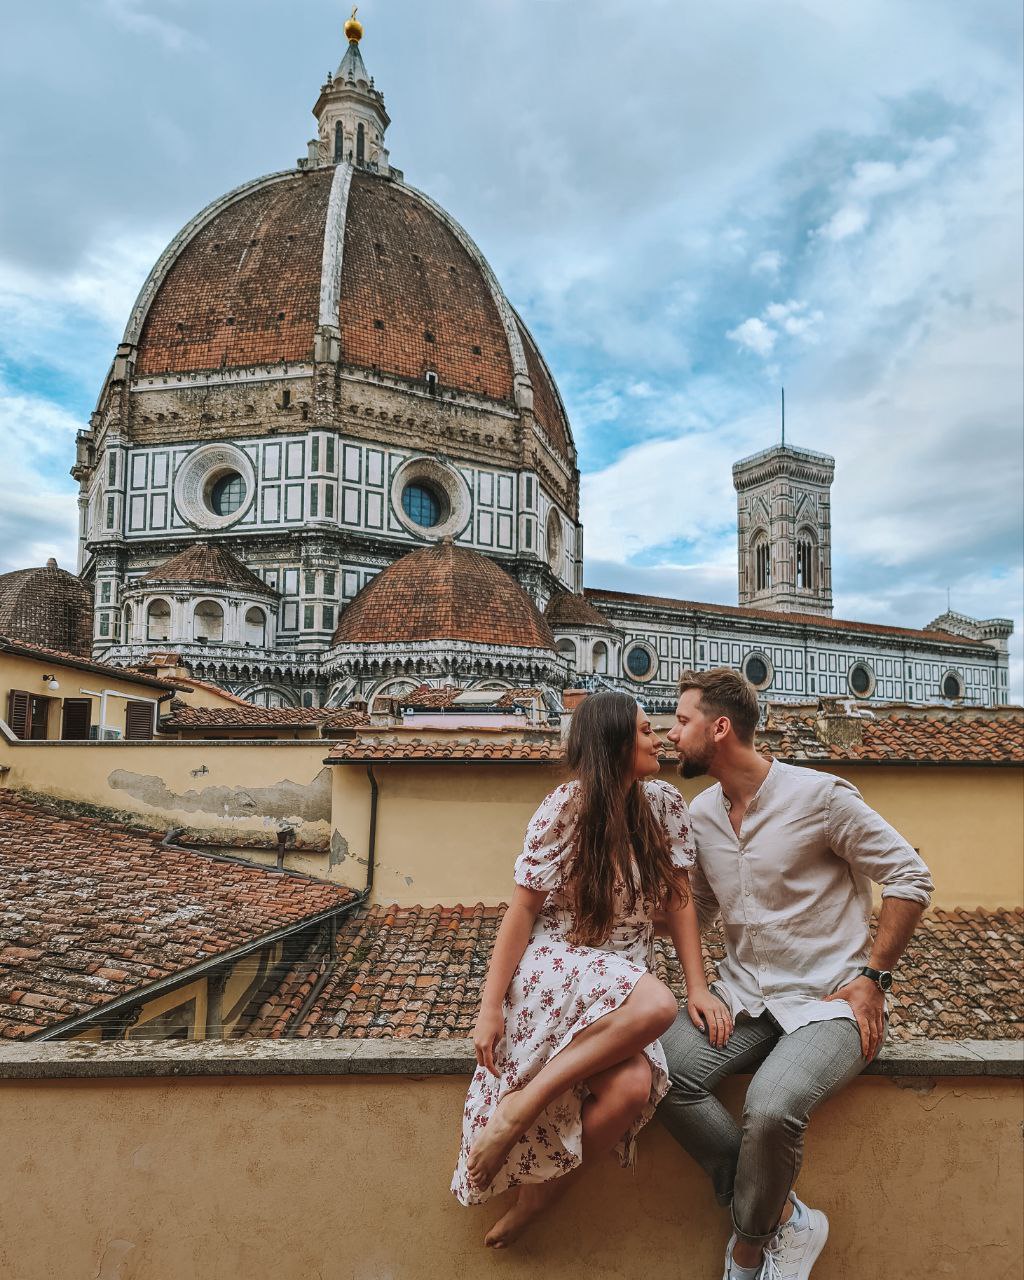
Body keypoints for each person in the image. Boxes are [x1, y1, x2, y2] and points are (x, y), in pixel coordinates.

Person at [659, 669, 933, 1280]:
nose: (671, 733)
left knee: (773, 1107)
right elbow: (699, 910)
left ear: (720, 728)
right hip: (744, 994)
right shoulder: (701, 814)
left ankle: (750, 1249)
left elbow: (911, 878)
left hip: (830, 1002)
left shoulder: (821, 797)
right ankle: (783, 1213)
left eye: (682, 721)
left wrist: (875, 977)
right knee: (666, 1071)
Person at [451, 690, 733, 1248]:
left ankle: (540, 1197)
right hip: (558, 960)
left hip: (625, 964)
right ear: (613, 744)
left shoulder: (665, 805)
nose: (659, 740)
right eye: (645, 732)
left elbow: (677, 903)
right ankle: (516, 1113)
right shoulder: (564, 808)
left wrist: (698, 986)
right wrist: (489, 1008)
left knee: (631, 1087)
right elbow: (522, 912)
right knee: (656, 1004)